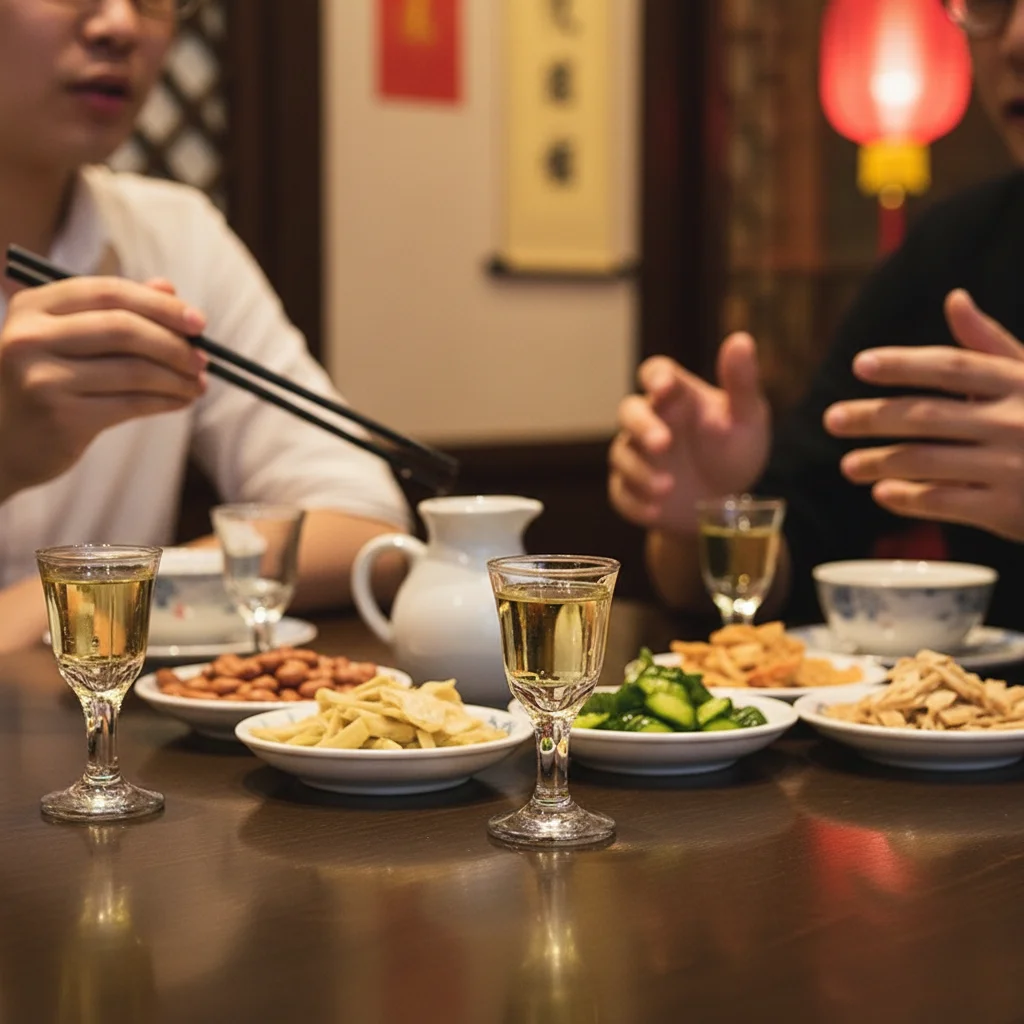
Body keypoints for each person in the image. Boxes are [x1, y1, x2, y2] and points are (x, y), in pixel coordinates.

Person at [0, 0, 411, 651]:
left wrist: (69, 600)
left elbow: (366, 523)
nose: (121, 26)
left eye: (153, 2)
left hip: (103, 740)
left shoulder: (173, 239)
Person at [609, 0, 1024, 628]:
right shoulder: (958, 248)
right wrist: (707, 518)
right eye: (994, 4)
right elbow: (785, 559)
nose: (1017, 40)